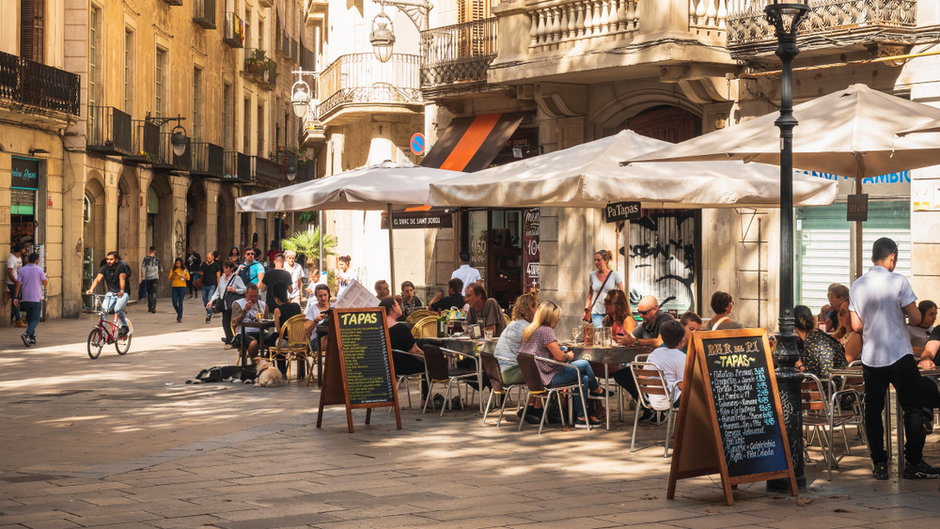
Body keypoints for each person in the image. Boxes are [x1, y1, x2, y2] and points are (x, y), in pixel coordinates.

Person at [849, 237, 938, 480]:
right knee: (913, 408)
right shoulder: (899, 281)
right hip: (899, 353)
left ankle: (879, 463)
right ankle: (913, 462)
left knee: (873, 410)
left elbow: (856, 325)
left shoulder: (857, 285)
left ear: (872, 257)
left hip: (872, 358)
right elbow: (917, 319)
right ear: (893, 257)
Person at [518, 301, 607, 428]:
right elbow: (560, 358)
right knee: (584, 363)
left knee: (583, 378)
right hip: (549, 377)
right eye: (557, 316)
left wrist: (560, 351)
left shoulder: (529, 330)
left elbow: (542, 352)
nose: (559, 319)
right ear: (551, 316)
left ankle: (582, 418)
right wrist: (568, 356)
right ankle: (597, 390)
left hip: (536, 379)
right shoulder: (546, 331)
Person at [379, 296, 428, 402]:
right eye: (397, 304)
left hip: (391, 367)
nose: (400, 306)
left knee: (421, 343)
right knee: (428, 365)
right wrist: (429, 360)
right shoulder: (400, 328)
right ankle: (426, 399)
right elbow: (415, 351)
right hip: (405, 366)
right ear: (393, 307)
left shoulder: (379, 328)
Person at [493, 292, 539, 385]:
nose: (539, 310)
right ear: (530, 308)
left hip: (498, 372)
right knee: (548, 373)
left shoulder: (513, 323)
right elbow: (539, 351)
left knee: (540, 371)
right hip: (511, 372)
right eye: (537, 307)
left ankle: (535, 400)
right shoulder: (526, 327)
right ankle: (549, 399)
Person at [257, 284, 303, 375]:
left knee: (275, 338)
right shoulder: (296, 306)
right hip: (300, 341)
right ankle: (277, 368)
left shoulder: (278, 310)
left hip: (286, 342)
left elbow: (278, 330)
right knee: (275, 338)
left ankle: (269, 364)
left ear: (276, 298)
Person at [793, 305, 846, 379]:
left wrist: (799, 365)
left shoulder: (811, 343)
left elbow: (811, 377)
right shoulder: (820, 335)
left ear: (794, 326)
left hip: (827, 386)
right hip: (840, 382)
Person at [85, 251, 131, 336]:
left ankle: (124, 325)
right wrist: (91, 289)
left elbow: (122, 279)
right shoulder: (104, 268)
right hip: (111, 293)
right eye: (107, 259)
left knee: (117, 309)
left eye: (111, 259)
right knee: (104, 311)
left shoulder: (121, 266)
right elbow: (98, 279)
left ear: (116, 260)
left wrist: (121, 291)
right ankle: (102, 335)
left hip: (123, 293)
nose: (109, 261)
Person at [646, 320, 689, 410]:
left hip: (652, 398)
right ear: (682, 340)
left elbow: (643, 377)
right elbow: (682, 385)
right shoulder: (681, 357)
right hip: (671, 399)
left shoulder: (654, 353)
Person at [208, 260, 246, 348]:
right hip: (224, 304)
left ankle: (230, 342)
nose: (224, 270)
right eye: (223, 268)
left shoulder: (236, 278)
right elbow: (218, 290)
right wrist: (211, 300)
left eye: (226, 268)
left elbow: (244, 289)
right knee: (225, 323)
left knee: (231, 323)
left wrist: (235, 290)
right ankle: (230, 339)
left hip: (232, 304)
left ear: (231, 269)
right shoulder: (222, 278)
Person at [584, 249, 624, 328]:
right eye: (595, 260)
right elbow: (590, 294)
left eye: (598, 260)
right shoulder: (592, 275)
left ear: (605, 260)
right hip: (596, 310)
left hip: (611, 311)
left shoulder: (615, 275)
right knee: (599, 332)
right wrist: (586, 309)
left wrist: (620, 307)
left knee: (610, 333)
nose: (596, 262)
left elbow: (622, 292)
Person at [13, 252, 46, 347]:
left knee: (31, 318)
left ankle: (32, 338)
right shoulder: (40, 270)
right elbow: (45, 284)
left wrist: (15, 297)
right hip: (36, 298)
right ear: (37, 260)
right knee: (36, 319)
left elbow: (18, 284)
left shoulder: (22, 270)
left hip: (26, 298)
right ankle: (26, 334)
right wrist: (44, 277)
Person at [232, 283, 267, 359]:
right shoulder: (238, 304)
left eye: (256, 296)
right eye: (251, 296)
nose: (254, 298)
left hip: (259, 331)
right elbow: (234, 323)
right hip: (244, 332)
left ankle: (267, 362)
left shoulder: (263, 305)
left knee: (276, 339)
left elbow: (266, 324)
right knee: (253, 343)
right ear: (246, 294)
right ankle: (254, 364)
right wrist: (245, 310)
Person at [304, 284, 332, 353]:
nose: (323, 298)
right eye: (320, 296)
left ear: (329, 295)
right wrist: (316, 320)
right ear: (316, 297)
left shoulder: (334, 307)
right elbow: (306, 330)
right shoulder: (312, 309)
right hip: (317, 340)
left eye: (325, 295)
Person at [7, 243, 26, 327]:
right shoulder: (12, 259)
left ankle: (9, 295)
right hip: (13, 283)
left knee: (18, 300)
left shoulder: (19, 258)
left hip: (18, 283)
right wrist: (16, 282)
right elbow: (10, 273)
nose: (25, 250)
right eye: (24, 249)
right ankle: (18, 320)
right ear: (20, 250)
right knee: (16, 301)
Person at [200, 251, 221, 323]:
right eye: (207, 258)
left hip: (212, 285)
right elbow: (201, 272)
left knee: (209, 299)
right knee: (204, 299)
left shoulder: (216, 266)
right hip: (204, 284)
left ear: (212, 258)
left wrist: (219, 287)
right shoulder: (204, 264)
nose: (208, 259)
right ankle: (209, 311)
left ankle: (209, 314)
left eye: (209, 258)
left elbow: (218, 277)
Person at [141, 246, 163, 313]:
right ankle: (153, 306)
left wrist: (143, 275)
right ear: (155, 251)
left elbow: (142, 267)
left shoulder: (146, 259)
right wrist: (158, 274)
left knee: (149, 293)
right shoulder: (157, 259)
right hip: (155, 277)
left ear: (149, 251)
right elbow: (161, 269)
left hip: (148, 277)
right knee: (154, 293)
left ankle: (150, 307)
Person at [169, 258, 190, 323]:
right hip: (174, 287)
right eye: (177, 263)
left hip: (182, 287)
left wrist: (180, 275)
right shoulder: (173, 270)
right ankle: (179, 313)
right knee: (174, 302)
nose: (178, 264)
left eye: (179, 263)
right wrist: (173, 275)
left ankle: (180, 317)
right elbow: (170, 278)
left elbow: (188, 278)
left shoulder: (184, 270)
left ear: (181, 264)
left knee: (180, 302)